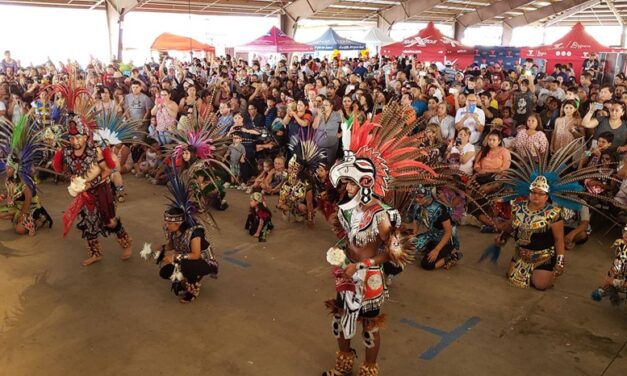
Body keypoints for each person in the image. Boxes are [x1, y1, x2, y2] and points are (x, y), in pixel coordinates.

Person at [322, 103, 433, 376]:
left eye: (351, 183)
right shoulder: (348, 210)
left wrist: (362, 265)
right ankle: (344, 359)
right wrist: (341, 253)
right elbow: (348, 238)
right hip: (346, 271)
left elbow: (391, 253)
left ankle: (369, 367)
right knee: (340, 318)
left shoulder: (381, 216)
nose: (346, 187)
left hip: (369, 275)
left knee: (368, 328)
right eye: (346, 182)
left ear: (366, 183)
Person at [52, 116, 133, 266]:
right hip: (84, 194)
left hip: (101, 191)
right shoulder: (66, 153)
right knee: (89, 223)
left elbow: (108, 171)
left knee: (110, 222)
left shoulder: (95, 151)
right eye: (72, 138)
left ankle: (126, 243)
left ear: (85, 136)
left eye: (78, 138)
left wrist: (91, 184)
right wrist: (72, 177)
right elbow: (63, 170)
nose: (75, 142)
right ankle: (95, 253)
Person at [150, 171, 219, 304]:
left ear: (178, 223)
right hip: (187, 259)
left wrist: (175, 257)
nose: (167, 225)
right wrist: (163, 248)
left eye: (170, 223)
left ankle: (193, 289)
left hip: (204, 260)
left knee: (187, 266)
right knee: (165, 272)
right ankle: (187, 280)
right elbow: (172, 244)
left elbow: (196, 254)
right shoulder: (172, 231)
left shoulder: (194, 232)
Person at [0, 116, 53, 235]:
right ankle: (19, 218)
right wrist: (3, 196)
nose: (6, 169)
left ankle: (38, 220)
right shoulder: (9, 179)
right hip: (18, 206)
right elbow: (11, 193)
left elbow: (28, 199)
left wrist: (23, 214)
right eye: (6, 166)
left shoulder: (24, 180)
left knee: (19, 230)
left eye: (9, 167)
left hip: (30, 208)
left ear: (15, 168)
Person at [411, 186, 462, 271]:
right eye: (415, 196)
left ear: (428, 195)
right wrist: (412, 237)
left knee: (427, 264)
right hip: (431, 235)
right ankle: (429, 248)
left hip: (446, 240)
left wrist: (436, 250)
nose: (416, 199)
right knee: (407, 248)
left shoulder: (440, 209)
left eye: (420, 197)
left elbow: (448, 232)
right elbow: (415, 222)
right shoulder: (418, 206)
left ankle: (453, 256)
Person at [592, 226, 627, 305]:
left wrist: (614, 282)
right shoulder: (622, 247)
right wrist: (603, 288)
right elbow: (614, 270)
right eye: (625, 232)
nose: (625, 236)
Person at [314, 98, 342, 165]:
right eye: (323, 105)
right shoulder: (319, 115)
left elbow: (347, 125)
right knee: (319, 163)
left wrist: (341, 134)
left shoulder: (337, 115)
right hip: (319, 143)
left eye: (326, 105)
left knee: (330, 163)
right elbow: (314, 126)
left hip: (332, 143)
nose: (324, 107)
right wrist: (319, 116)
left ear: (331, 106)